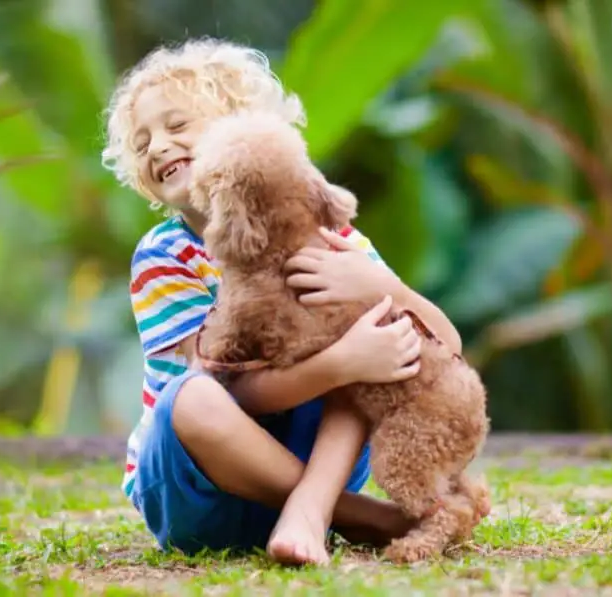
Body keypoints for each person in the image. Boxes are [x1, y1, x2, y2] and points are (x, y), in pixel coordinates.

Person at [101, 37, 466, 566]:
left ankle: (311, 510)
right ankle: (355, 515)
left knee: (379, 347)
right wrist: (341, 362)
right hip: (197, 489)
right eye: (143, 143)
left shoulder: (329, 237)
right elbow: (229, 393)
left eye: (177, 126)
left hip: (314, 463)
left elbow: (444, 347)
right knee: (193, 396)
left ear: (245, 127)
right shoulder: (165, 256)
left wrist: (385, 290)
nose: (157, 146)